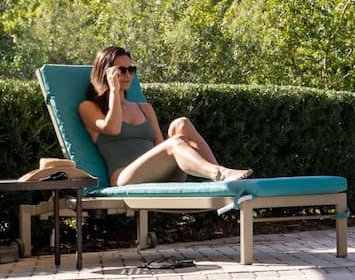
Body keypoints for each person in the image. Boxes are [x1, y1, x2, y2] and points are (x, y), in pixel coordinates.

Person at [81, 46, 251, 186]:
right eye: (121, 70)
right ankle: (219, 174)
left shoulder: (144, 108)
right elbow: (113, 127)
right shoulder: (89, 107)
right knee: (175, 143)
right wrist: (114, 91)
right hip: (125, 178)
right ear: (106, 73)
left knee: (181, 124)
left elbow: (160, 147)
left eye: (131, 69)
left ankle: (219, 184)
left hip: (158, 174)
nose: (127, 75)